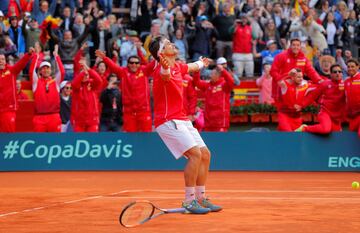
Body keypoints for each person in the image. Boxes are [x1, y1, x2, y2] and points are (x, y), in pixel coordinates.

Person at [148, 36, 221, 214]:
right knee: (195, 154)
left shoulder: (179, 66)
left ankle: (201, 198)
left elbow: (192, 66)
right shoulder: (161, 70)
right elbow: (165, 74)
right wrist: (164, 65)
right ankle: (189, 201)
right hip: (167, 120)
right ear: (161, 53)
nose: (171, 43)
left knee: (205, 154)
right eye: (167, 44)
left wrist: (202, 63)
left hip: (181, 119)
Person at [95, 50, 153, 132]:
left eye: (136, 63)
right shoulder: (123, 72)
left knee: (147, 137)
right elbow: (113, 66)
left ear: (139, 64)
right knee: (131, 139)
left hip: (144, 111)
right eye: (131, 63)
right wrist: (104, 58)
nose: (134, 65)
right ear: (128, 63)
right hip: (129, 113)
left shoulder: (144, 70)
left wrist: (162, 54)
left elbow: (154, 64)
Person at [295, 64, 345, 133]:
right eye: (335, 72)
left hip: (336, 117)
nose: (337, 73)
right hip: (325, 113)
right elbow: (312, 95)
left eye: (339, 71)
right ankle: (305, 128)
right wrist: (302, 105)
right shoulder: (324, 84)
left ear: (342, 73)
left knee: (338, 136)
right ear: (330, 74)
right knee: (325, 129)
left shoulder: (345, 85)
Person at [270, 37, 322, 103]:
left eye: (298, 45)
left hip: (296, 90)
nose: (296, 47)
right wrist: (280, 81)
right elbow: (273, 71)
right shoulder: (281, 56)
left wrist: (319, 80)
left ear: (300, 47)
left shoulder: (303, 58)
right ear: (290, 46)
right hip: (281, 89)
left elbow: (311, 71)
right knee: (282, 110)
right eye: (293, 45)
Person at [30, 45, 64, 132]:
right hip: (39, 117)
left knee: (54, 143)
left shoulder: (55, 82)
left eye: (48, 68)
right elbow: (31, 71)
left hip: (54, 116)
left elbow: (62, 71)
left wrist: (56, 56)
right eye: (43, 68)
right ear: (40, 71)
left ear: (51, 70)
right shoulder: (36, 82)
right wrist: (36, 56)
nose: (46, 70)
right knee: (39, 143)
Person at [0, 49, 34, 132]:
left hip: (8, 110)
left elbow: (21, 64)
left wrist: (28, 54)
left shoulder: (11, 71)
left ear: (5, 61)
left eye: (2, 59)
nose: (1, 61)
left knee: (8, 137)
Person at [193, 66, 234, 132]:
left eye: (212, 74)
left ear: (218, 75)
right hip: (208, 122)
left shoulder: (224, 86)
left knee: (221, 142)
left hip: (220, 123)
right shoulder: (207, 85)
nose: (210, 75)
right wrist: (197, 71)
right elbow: (196, 82)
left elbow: (231, 82)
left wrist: (223, 70)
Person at [71, 60, 103, 132]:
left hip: (92, 120)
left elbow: (99, 80)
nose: (85, 76)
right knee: (79, 141)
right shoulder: (77, 87)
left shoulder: (92, 85)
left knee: (93, 141)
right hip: (79, 121)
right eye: (83, 74)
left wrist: (88, 69)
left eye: (87, 75)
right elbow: (74, 84)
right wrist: (83, 72)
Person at [344, 59, 360, 137]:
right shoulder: (346, 81)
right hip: (352, 116)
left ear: (358, 67)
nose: (350, 68)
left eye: (352, 66)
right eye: (348, 67)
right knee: (352, 137)